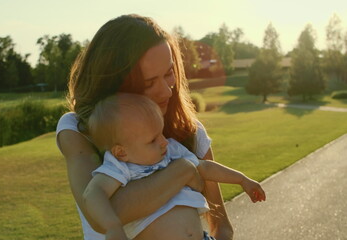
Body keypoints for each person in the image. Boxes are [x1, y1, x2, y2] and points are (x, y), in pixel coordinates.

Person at [56, 14, 234, 240]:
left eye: (169, 73)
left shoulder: (191, 132)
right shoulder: (79, 130)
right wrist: (183, 170)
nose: (167, 91)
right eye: (148, 83)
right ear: (118, 84)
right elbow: (101, 214)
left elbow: (222, 227)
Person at [83, 93, 266, 240]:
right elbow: (93, 192)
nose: (164, 142)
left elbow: (206, 168)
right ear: (121, 151)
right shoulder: (120, 166)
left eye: (161, 133)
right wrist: (112, 226)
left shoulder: (170, 150)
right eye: (152, 140)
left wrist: (242, 179)